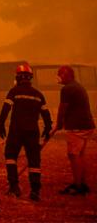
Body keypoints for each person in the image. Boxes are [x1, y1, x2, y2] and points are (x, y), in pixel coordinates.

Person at [0, 63, 52, 201]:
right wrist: (47, 128)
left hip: (16, 130)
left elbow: (5, 109)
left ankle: (14, 188)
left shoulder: (14, 91)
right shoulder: (38, 94)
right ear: (30, 78)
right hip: (33, 132)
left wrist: (1, 125)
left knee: (10, 156)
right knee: (34, 161)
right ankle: (35, 191)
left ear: (17, 77)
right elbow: (46, 114)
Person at [56, 65, 95, 196]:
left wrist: (58, 123)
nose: (58, 77)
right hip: (87, 125)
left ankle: (78, 185)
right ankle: (82, 183)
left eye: (60, 74)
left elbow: (62, 109)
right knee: (80, 154)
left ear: (67, 75)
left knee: (73, 155)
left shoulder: (67, 89)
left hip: (77, 127)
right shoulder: (78, 86)